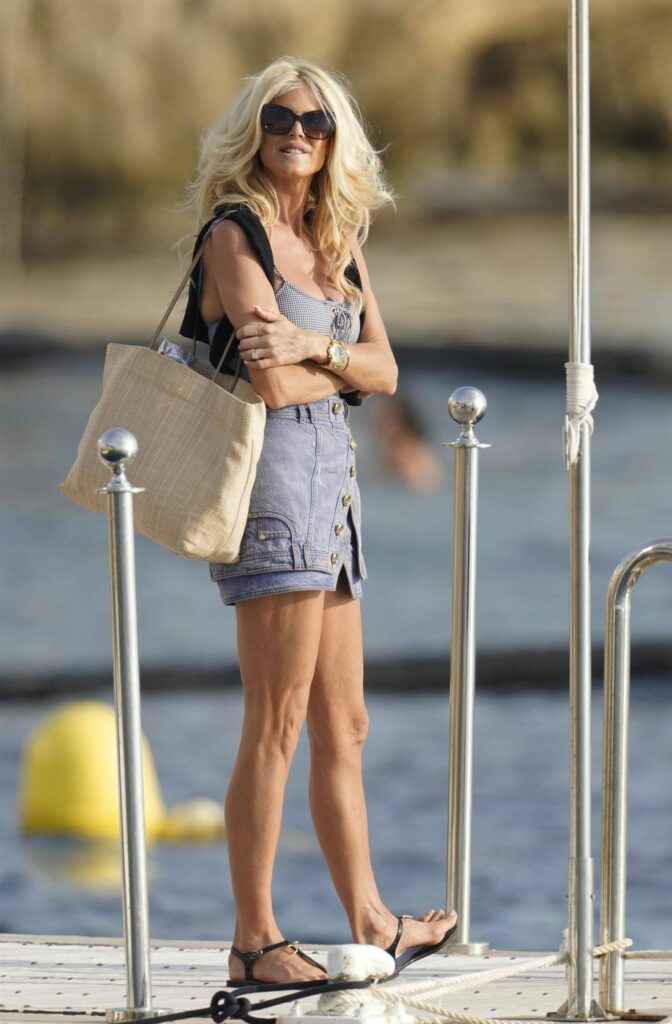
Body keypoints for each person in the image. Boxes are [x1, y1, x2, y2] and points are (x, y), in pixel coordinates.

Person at [179, 56, 457, 988]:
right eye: (278, 118)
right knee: (278, 719)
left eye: (314, 121)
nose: (296, 134)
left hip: (334, 493)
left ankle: (373, 921)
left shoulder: (337, 241)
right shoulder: (235, 234)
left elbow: (385, 372)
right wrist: (330, 361)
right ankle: (254, 941)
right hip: (272, 493)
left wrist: (312, 344)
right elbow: (272, 384)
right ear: (252, 130)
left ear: (336, 138)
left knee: (347, 723)